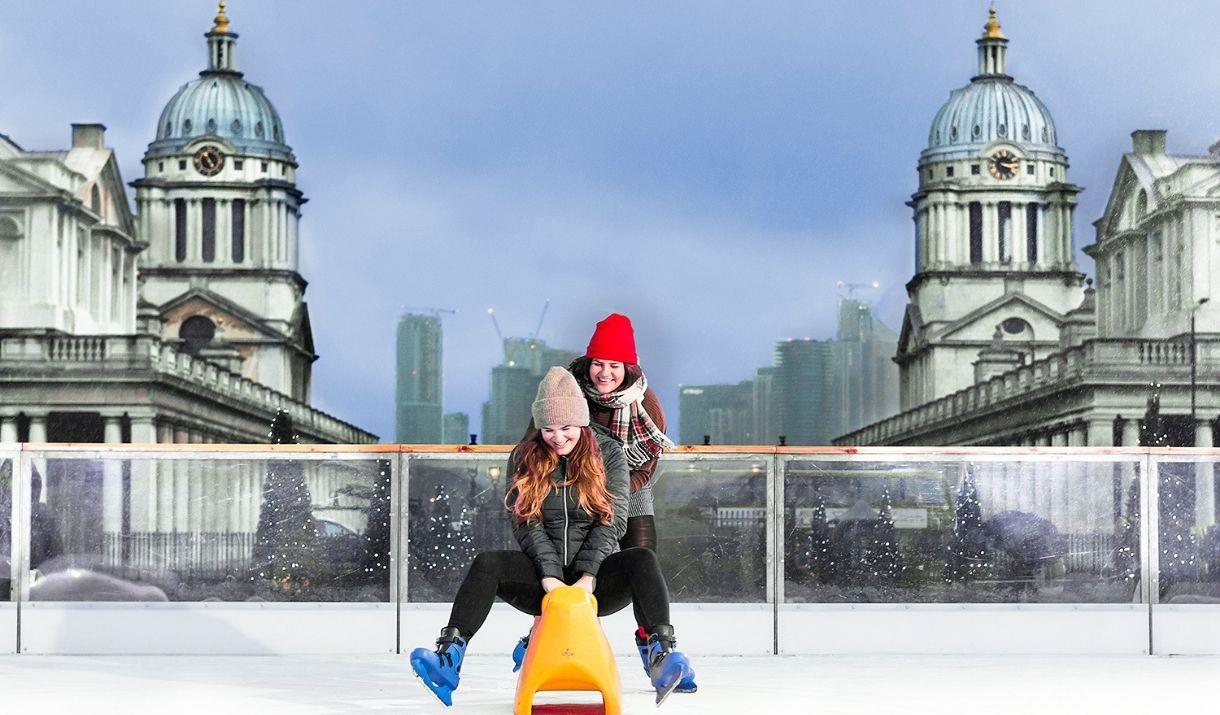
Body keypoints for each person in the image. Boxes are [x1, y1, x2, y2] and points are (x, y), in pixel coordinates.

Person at [409, 368, 694, 707]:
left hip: (596, 579)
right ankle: (448, 660)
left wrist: (588, 576)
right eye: (548, 429)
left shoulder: (610, 454)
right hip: (543, 581)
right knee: (488, 563)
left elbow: (613, 520)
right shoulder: (525, 456)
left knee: (642, 559)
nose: (557, 438)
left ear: (582, 423)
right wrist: (549, 577)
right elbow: (526, 522)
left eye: (567, 428)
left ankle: (662, 655)